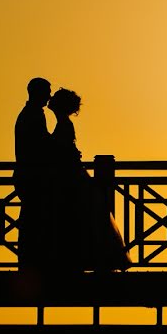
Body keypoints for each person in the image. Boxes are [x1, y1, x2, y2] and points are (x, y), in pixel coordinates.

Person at [47, 88, 131, 273]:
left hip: (70, 178)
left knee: (78, 218)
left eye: (55, 99)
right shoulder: (64, 124)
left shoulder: (64, 124)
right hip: (73, 176)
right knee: (83, 218)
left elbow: (61, 153)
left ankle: (81, 259)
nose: (50, 100)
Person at [13, 77, 54, 271]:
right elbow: (40, 144)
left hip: (28, 174)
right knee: (33, 218)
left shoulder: (32, 113)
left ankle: (31, 260)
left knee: (33, 217)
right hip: (32, 176)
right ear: (37, 93)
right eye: (47, 91)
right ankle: (31, 261)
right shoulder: (33, 115)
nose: (49, 96)